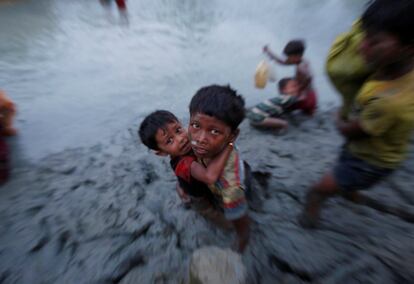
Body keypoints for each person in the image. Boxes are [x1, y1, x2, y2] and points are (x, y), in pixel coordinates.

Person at [299, 0, 414, 228]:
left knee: (317, 189)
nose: (362, 48)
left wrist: (339, 120)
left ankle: (309, 217)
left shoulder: (390, 102)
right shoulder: (394, 63)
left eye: (374, 42)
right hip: (374, 151)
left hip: (369, 160)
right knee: (345, 179)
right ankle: (349, 192)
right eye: (364, 36)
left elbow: (354, 132)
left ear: (408, 48)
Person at [188, 85, 250, 252]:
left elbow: (238, 213)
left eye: (214, 131)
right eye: (195, 125)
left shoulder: (231, 184)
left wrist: (242, 234)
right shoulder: (193, 141)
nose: (200, 138)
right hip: (209, 175)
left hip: (228, 185)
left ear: (232, 135)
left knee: (234, 211)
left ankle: (243, 236)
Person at [138, 110, 232, 210]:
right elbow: (209, 177)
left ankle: (181, 186)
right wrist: (229, 146)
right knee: (212, 212)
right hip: (200, 195)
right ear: (162, 152)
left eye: (178, 130)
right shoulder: (184, 164)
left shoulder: (191, 142)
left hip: (194, 179)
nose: (180, 139)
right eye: (169, 141)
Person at [247, 77, 317, 129]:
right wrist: (307, 87)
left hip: (252, 116)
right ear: (283, 90)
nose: (297, 88)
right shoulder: (288, 97)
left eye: (297, 86)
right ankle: (278, 135)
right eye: (294, 86)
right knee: (284, 124)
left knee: (282, 116)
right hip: (258, 119)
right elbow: (302, 98)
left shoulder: (281, 99)